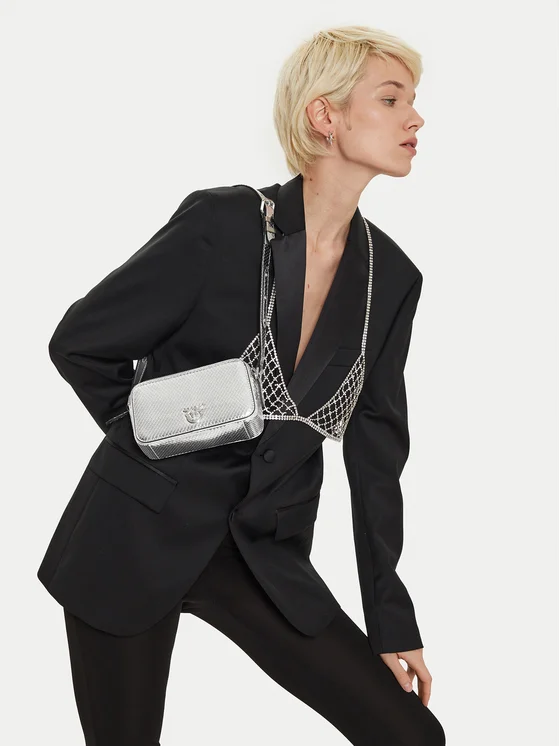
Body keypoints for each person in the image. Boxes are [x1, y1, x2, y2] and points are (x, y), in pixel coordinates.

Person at [37, 24, 446, 746]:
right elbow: (81, 344)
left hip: (262, 551)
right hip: (133, 533)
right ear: (325, 115)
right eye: (391, 99)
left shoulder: (391, 278)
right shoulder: (225, 223)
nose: (416, 117)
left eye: (413, 101)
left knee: (410, 736)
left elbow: (377, 457)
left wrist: (391, 621)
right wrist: (155, 442)